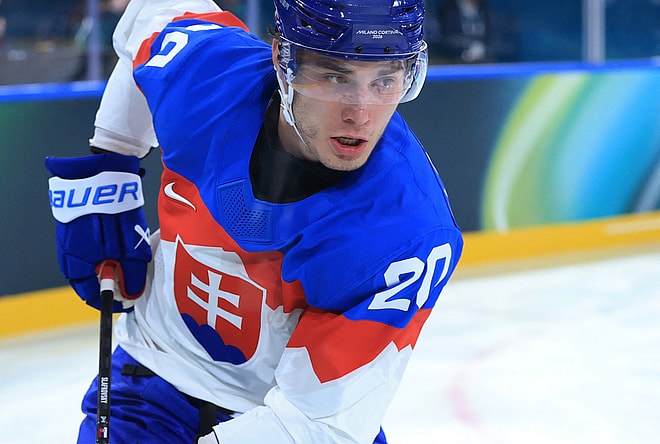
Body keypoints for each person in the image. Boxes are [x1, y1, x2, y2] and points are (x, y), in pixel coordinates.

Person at [45, 0, 463, 442]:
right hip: (153, 376)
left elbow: (313, 423)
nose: (360, 112)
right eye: (334, 76)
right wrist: (113, 155)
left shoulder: (406, 233)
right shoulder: (205, 72)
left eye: (385, 79)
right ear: (284, 62)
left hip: (284, 420)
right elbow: (155, 11)